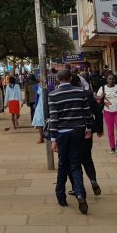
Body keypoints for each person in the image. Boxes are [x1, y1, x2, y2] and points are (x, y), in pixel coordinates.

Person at [48, 69, 93, 214]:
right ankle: (80, 194)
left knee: (63, 163)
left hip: (62, 133)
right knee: (75, 164)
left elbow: (54, 118)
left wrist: (53, 139)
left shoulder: (53, 95)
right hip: (78, 131)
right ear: (70, 78)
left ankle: (60, 195)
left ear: (58, 80)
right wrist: (89, 128)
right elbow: (87, 113)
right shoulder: (80, 92)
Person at [96, 73, 117, 153]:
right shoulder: (102, 88)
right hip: (107, 112)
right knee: (110, 131)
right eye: (109, 79)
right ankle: (112, 147)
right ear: (107, 80)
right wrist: (101, 97)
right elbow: (97, 98)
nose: (111, 80)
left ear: (115, 80)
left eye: (113, 79)